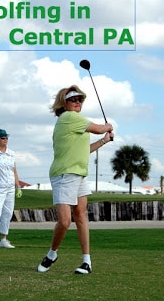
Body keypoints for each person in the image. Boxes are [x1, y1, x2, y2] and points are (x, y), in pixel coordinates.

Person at [37, 85, 114, 274]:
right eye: (73, 99)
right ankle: (52, 254)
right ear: (65, 103)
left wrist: (104, 140)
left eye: (80, 99)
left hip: (79, 173)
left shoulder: (76, 123)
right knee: (64, 221)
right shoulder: (69, 118)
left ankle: (86, 262)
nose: (78, 102)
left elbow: (84, 150)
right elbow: (98, 128)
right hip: (64, 174)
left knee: (80, 216)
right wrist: (108, 127)